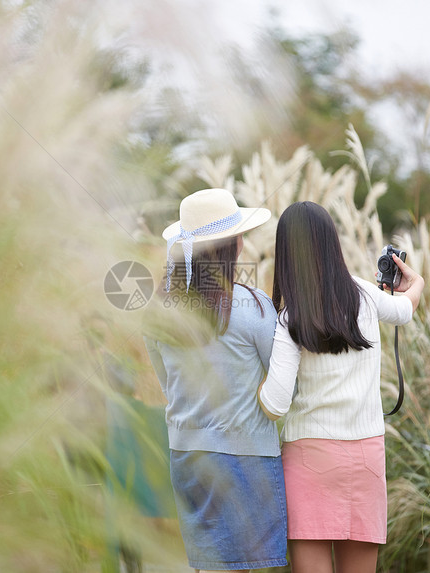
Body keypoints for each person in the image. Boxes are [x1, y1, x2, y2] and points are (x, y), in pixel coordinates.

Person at [257, 201, 425, 573]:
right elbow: (405, 310)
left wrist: (257, 385)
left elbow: (276, 404)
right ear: (332, 244)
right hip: (366, 456)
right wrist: (417, 284)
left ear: (285, 254)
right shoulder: (366, 295)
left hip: (309, 459)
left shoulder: (289, 318)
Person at [143, 188, 288, 572]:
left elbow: (166, 383)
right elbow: (282, 382)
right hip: (248, 460)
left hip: (188, 456)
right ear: (232, 248)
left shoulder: (159, 316)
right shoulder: (254, 309)